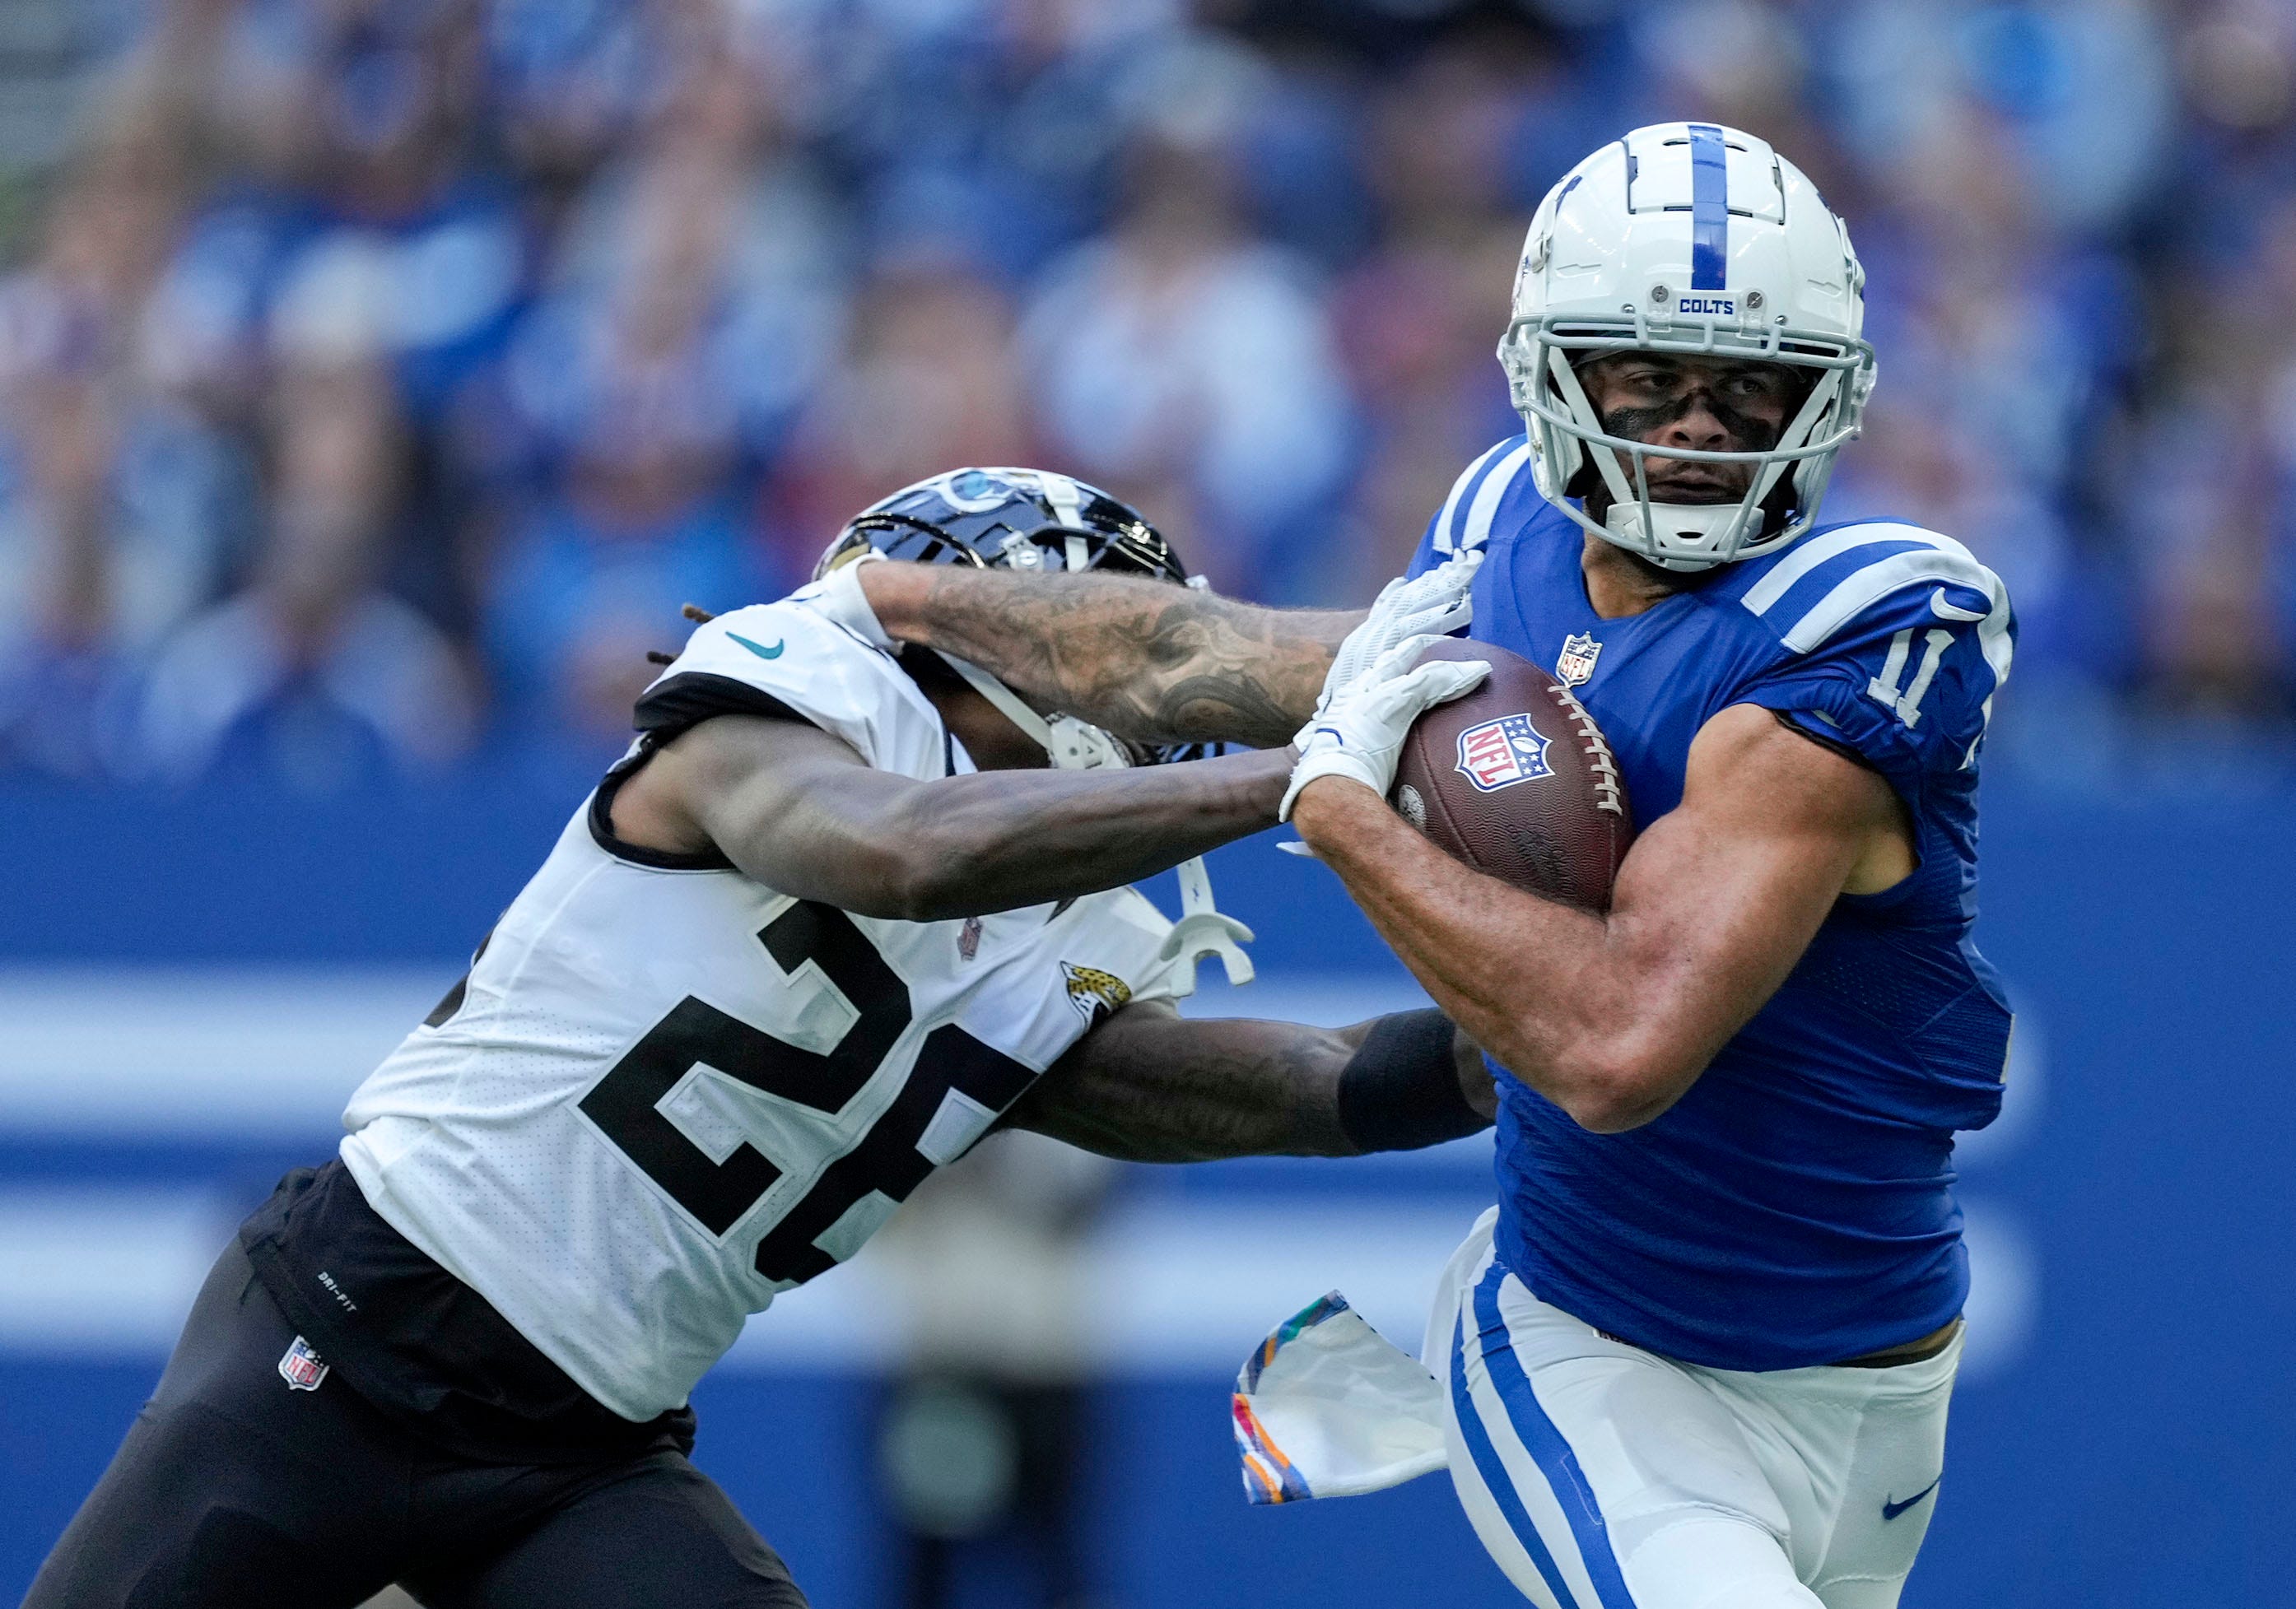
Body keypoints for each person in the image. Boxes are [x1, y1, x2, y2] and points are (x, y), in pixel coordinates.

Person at [850, 124, 2015, 1609]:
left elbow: (1614, 1037)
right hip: (1598, 1349)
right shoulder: (1497, 532)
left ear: (1829, 398)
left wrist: (1341, 814)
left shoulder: (1866, 618)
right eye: (1648, 379)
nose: (1700, 429)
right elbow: (1207, 653)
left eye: (1749, 387)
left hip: (1884, 1377)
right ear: (1549, 373)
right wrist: (880, 599)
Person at [27, 467, 1496, 1609]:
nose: (1144, 697)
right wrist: (1294, 780)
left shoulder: (1048, 947)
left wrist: (1546, 1025)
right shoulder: (781, 699)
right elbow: (903, 850)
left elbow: (1312, 1088)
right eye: (1118, 652)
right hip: (347, 1338)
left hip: (578, 1446)